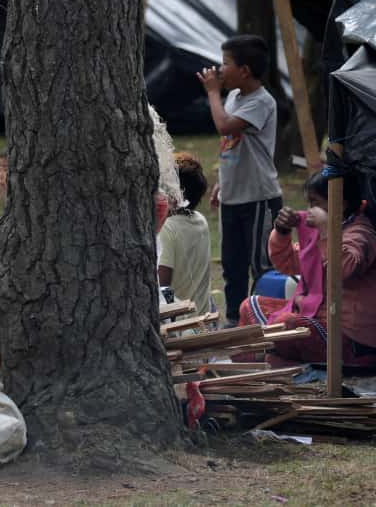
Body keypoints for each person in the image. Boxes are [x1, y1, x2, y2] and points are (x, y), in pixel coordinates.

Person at [240, 171, 376, 367]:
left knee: (289, 325)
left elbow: (343, 269)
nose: (310, 210)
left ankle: (269, 356)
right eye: (309, 204)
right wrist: (282, 231)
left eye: (316, 203)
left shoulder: (361, 233)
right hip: (314, 317)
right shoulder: (323, 230)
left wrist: (326, 230)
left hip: (348, 337)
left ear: (341, 204)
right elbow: (287, 264)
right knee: (250, 305)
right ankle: (267, 357)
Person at [197, 35, 283, 326]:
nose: (220, 69)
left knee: (261, 266)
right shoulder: (235, 96)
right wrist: (222, 182)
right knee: (232, 265)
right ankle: (234, 320)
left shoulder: (262, 102)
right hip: (233, 197)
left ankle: (263, 321)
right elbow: (232, 147)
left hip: (258, 198)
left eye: (225, 63)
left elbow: (225, 127)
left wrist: (212, 92)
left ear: (244, 70)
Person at [157, 153, 213, 315]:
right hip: (203, 317)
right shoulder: (201, 220)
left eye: (164, 187)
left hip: (181, 323)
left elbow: (162, 289)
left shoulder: (167, 229)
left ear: (176, 195)